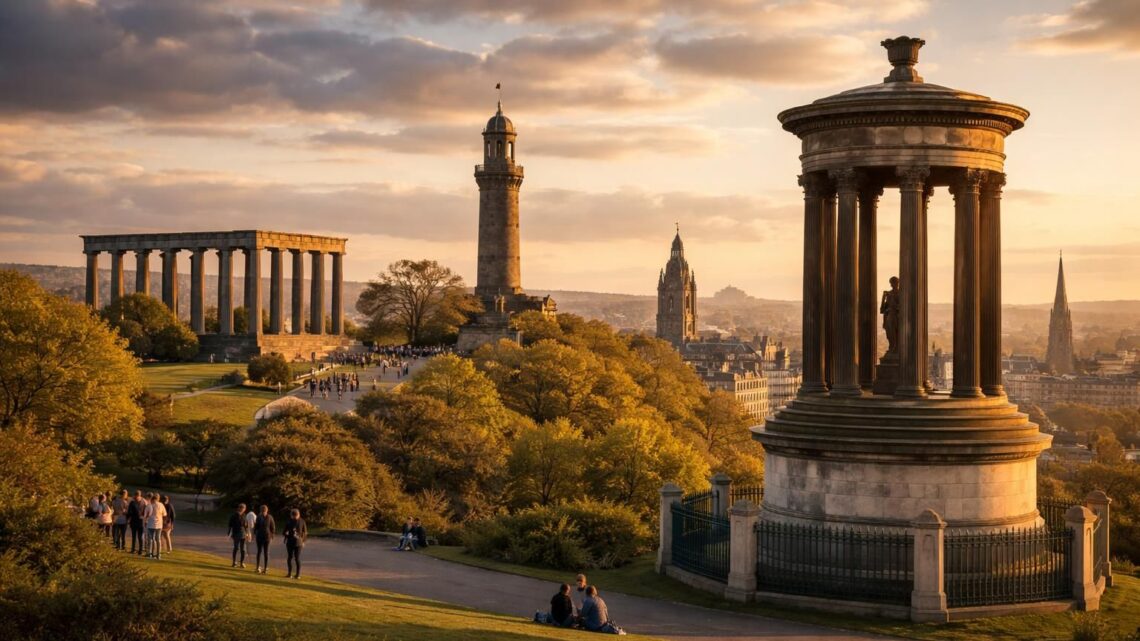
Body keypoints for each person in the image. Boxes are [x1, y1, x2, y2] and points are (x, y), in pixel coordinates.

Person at [283, 508, 307, 579]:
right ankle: (293, 574)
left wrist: (303, 541)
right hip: (294, 542)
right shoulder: (300, 521)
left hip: (294, 542)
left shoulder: (293, 521)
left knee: (293, 558)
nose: (294, 517)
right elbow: (305, 533)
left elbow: (305, 532)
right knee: (293, 558)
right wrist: (303, 541)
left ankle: (294, 574)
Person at [143, 492, 166, 560]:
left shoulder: (149, 506)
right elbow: (164, 514)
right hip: (159, 525)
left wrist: (145, 522)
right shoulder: (161, 505)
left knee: (150, 539)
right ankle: (158, 554)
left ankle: (150, 553)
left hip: (150, 524)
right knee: (158, 539)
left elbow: (145, 515)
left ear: (152, 499)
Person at [254, 505, 275, 574]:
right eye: (262, 511)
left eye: (264, 511)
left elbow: (272, 527)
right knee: (259, 552)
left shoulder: (269, 517)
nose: (263, 512)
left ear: (267, 511)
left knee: (266, 552)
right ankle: (257, 567)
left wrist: (272, 535)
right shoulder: (258, 517)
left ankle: (265, 568)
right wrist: (255, 533)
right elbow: (256, 526)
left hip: (267, 537)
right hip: (259, 536)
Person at [227, 504, 249, 568]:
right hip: (236, 533)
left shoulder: (244, 516)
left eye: (244, 508)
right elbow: (230, 525)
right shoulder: (234, 516)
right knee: (236, 548)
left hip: (243, 534)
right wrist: (229, 534)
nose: (243, 509)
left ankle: (242, 563)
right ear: (239, 508)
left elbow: (246, 526)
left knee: (243, 550)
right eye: (242, 508)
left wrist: (247, 533)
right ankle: (234, 562)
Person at [127, 490, 145, 555]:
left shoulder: (132, 503)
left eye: (135, 496)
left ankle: (135, 550)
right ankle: (139, 550)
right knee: (139, 537)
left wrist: (128, 519)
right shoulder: (144, 502)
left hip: (135, 521)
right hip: (140, 521)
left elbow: (129, 512)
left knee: (136, 536)